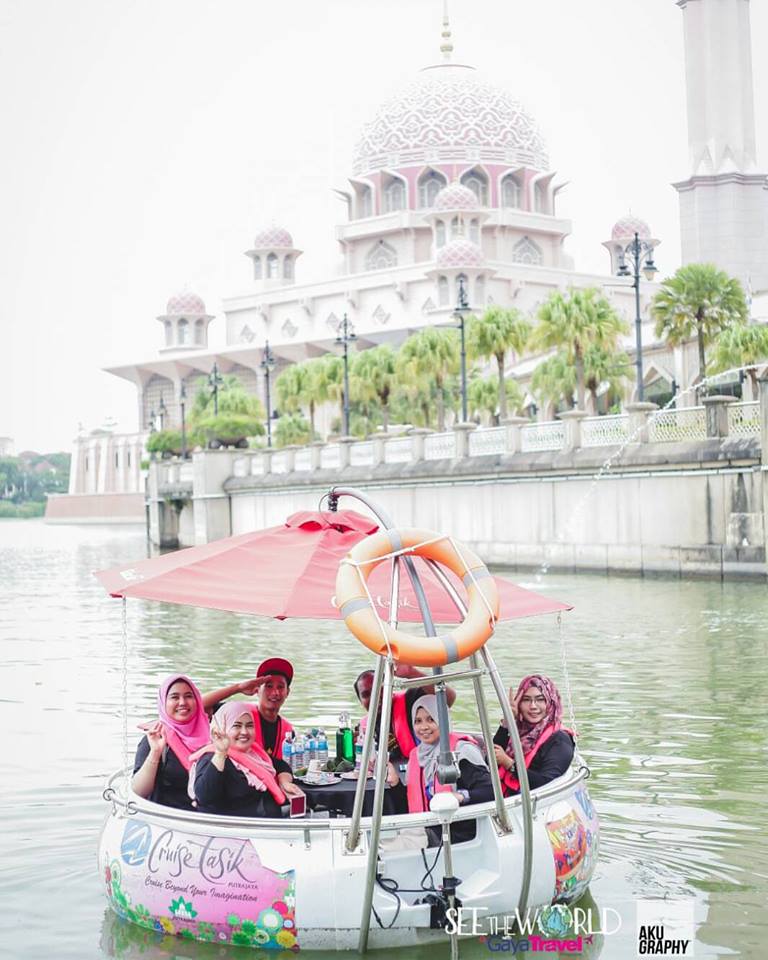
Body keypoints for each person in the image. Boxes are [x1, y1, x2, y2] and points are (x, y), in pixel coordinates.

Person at [403, 694, 493, 844]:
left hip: (456, 835)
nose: (424, 727)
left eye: (431, 719)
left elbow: (490, 792)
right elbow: (412, 798)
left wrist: (460, 796)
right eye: (418, 721)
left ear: (443, 721)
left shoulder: (462, 751)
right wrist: (394, 784)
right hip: (423, 829)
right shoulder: (417, 755)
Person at [191, 702, 305, 817]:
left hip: (267, 827)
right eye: (237, 726)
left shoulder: (255, 754)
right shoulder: (211, 757)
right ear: (221, 728)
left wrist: (284, 782)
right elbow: (204, 796)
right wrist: (221, 753)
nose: (244, 732)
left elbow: (281, 765)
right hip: (235, 831)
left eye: (249, 725)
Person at [132, 674, 211, 809]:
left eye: (188, 696)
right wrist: (155, 753)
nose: (182, 702)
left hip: (209, 821)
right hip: (169, 822)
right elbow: (139, 791)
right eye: (174, 697)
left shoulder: (214, 736)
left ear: (197, 700)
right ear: (163, 703)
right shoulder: (154, 738)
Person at [355, 663, 457, 763]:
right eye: (366, 694)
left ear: (390, 688)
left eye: (379, 690)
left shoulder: (411, 700)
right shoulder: (363, 728)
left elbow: (448, 699)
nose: (375, 697)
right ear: (360, 701)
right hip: (387, 776)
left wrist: (412, 673)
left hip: (423, 768)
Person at [492, 674, 575, 795]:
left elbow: (546, 782)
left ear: (551, 702)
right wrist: (507, 721)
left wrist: (509, 764)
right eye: (526, 700)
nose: (533, 706)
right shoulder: (519, 730)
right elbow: (489, 762)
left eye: (540, 699)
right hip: (502, 795)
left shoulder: (560, 739)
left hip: (532, 803)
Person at [205, 657, 295, 760]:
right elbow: (201, 706)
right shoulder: (239, 714)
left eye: (280, 687)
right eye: (269, 686)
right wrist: (238, 688)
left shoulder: (288, 731)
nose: (275, 693)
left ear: (287, 692)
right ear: (257, 690)